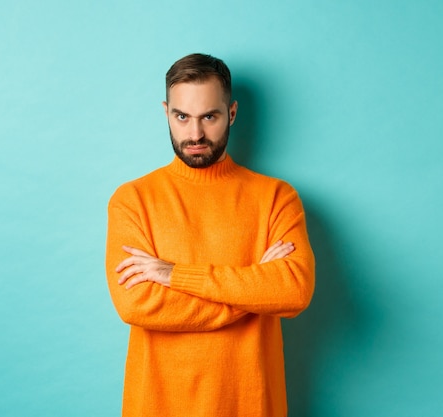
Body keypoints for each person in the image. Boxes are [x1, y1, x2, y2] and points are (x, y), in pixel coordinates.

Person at [105, 53, 315, 417]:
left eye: (210, 117)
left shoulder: (276, 198)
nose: (195, 134)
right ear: (166, 112)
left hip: (249, 404)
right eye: (182, 117)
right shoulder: (133, 199)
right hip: (159, 405)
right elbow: (137, 304)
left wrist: (174, 275)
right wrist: (253, 293)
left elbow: (293, 290)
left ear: (231, 114)